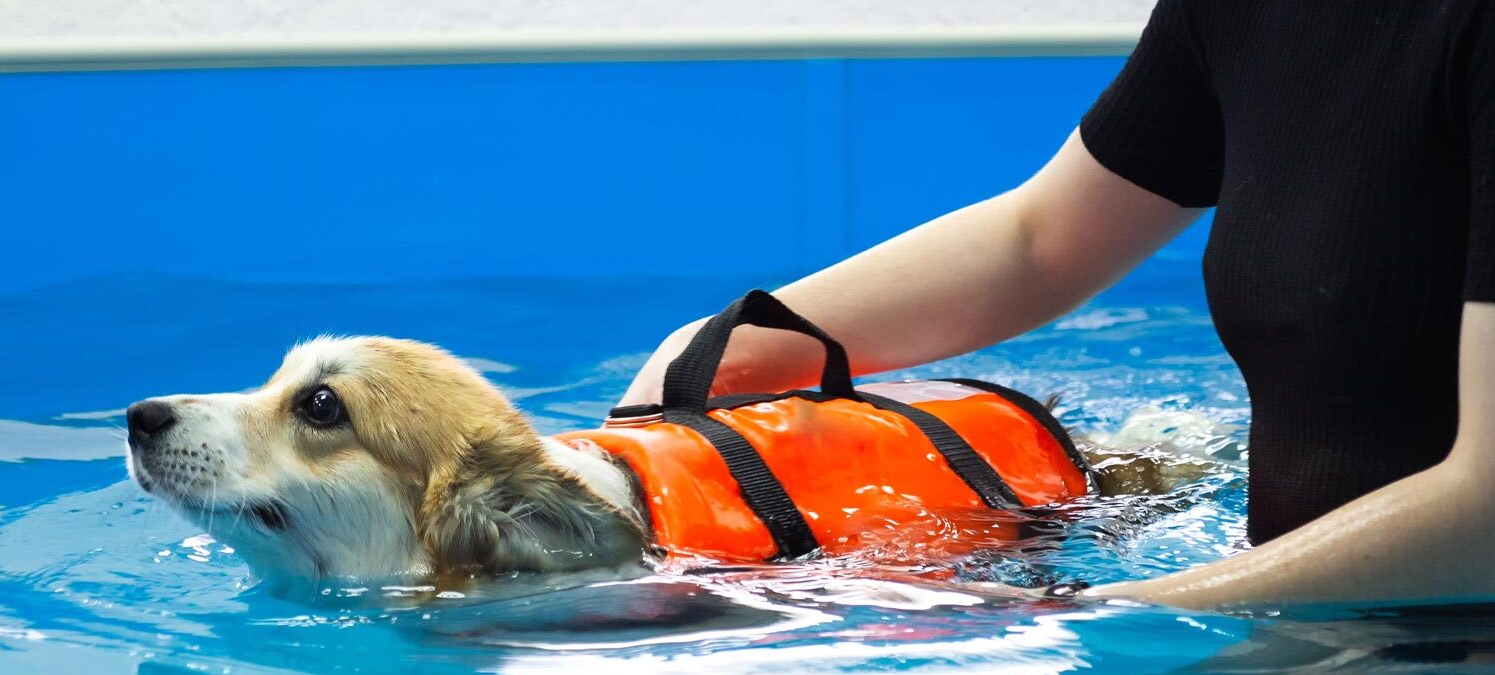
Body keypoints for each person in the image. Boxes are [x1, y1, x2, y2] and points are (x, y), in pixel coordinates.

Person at [621, 0, 1495, 609]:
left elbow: (1487, 512)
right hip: (1292, 647)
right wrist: (722, 346)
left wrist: (1111, 612)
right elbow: (1041, 239)